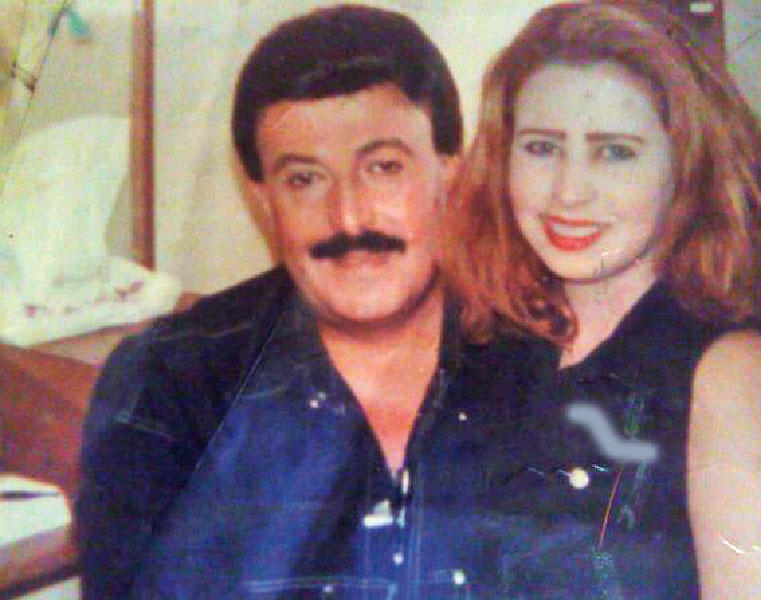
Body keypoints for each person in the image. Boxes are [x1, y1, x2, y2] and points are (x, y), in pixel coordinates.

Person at [76, 5, 540, 599]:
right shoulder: (169, 385)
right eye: (305, 179)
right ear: (262, 199)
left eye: (384, 168)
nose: (348, 217)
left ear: (449, 172)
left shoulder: (540, 362)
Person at [446, 1, 761, 598]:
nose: (568, 192)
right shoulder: (485, 341)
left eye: (615, 152)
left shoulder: (734, 372)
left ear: (686, 169)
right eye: (541, 147)